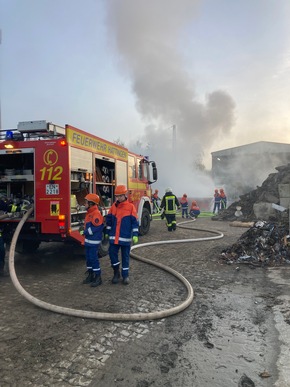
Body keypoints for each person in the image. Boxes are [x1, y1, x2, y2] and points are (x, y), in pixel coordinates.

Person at [105, 185, 139, 285]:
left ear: (125, 195)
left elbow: (134, 222)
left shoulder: (131, 207)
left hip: (125, 238)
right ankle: (116, 273)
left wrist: (135, 234)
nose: (118, 198)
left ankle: (125, 276)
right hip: (114, 238)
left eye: (120, 196)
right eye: (117, 196)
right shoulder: (113, 207)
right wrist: (107, 232)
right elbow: (109, 221)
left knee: (125, 257)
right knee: (112, 255)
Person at [80, 193, 104, 287]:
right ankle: (91, 275)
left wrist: (86, 232)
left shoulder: (96, 214)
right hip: (88, 241)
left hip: (93, 242)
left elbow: (97, 228)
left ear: (91, 203)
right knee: (89, 259)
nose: (84, 204)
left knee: (94, 259)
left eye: (86, 202)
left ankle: (98, 277)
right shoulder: (89, 213)